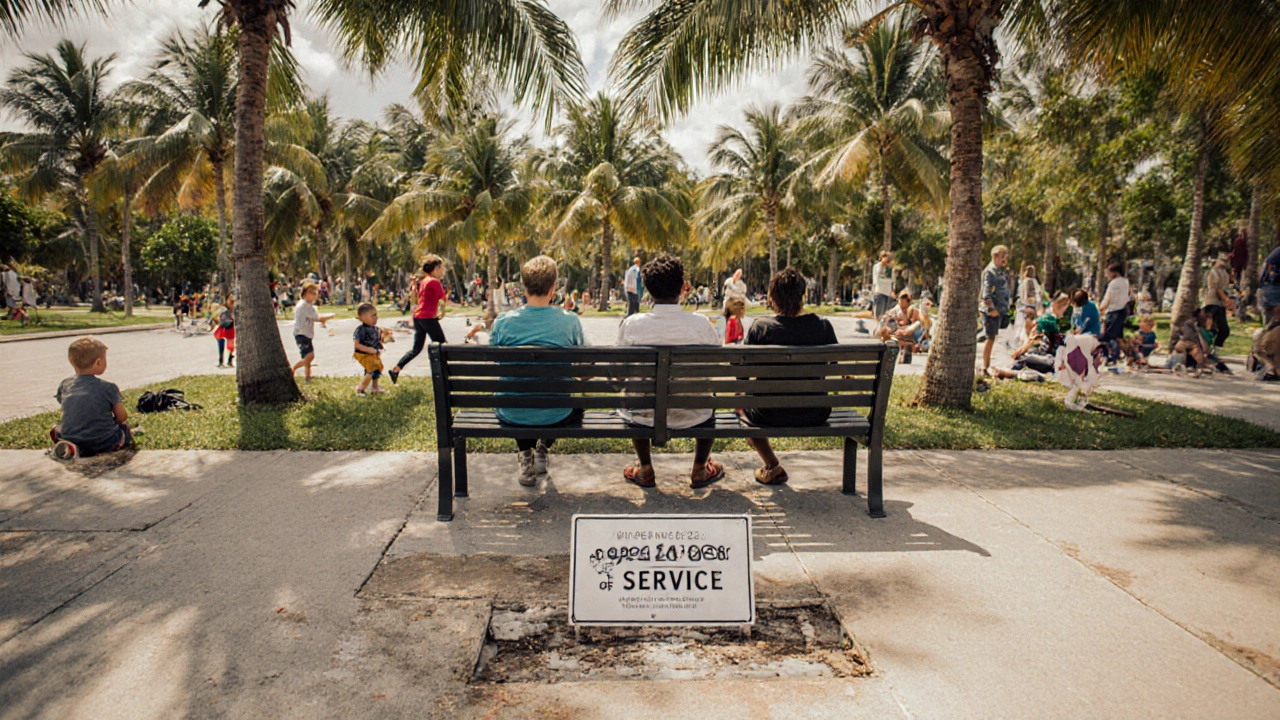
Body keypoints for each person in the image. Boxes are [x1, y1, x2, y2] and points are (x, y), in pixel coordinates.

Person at [617, 254, 722, 489]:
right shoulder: (702, 324)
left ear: (648, 290)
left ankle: (645, 467)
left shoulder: (632, 324)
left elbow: (619, 374)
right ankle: (699, 468)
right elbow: (714, 367)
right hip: (695, 414)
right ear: (683, 288)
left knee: (634, 399)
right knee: (709, 401)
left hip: (644, 416)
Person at [488, 256, 587, 486]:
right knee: (568, 400)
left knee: (517, 394)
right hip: (557, 414)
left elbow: (495, 363)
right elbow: (583, 370)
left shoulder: (503, 322)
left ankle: (526, 454)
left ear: (524, 287)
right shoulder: (570, 322)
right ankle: (542, 450)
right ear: (553, 288)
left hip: (512, 413)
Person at [736, 267, 841, 485]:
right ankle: (772, 466)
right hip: (816, 412)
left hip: (767, 414)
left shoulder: (760, 328)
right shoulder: (822, 327)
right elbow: (834, 368)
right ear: (804, 296)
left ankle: (771, 465)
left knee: (741, 404)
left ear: (772, 298)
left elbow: (742, 376)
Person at [50, 337, 136, 460]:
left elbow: (65, 404)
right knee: (123, 428)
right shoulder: (109, 387)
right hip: (103, 442)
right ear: (98, 362)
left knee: (59, 429)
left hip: (72, 437)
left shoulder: (65, 384)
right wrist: (112, 423)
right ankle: (100, 443)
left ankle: (69, 446)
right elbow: (122, 416)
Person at [389, 255, 447, 384]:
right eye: (442, 268)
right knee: (442, 345)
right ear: (436, 268)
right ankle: (444, 373)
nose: (443, 271)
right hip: (428, 317)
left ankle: (396, 369)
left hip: (418, 317)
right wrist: (442, 311)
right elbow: (443, 300)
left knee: (416, 349)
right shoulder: (434, 282)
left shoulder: (423, 281)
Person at [290, 282, 334, 381]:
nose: (314, 295)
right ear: (305, 294)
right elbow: (317, 318)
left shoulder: (310, 306)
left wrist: (323, 322)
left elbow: (315, 317)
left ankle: (308, 376)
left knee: (307, 355)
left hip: (306, 334)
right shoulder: (303, 306)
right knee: (310, 356)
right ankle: (294, 368)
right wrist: (329, 316)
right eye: (312, 293)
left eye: (315, 293)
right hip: (301, 334)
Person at [980, 245, 1012, 374]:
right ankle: (985, 367)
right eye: (1002, 256)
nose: (1005, 259)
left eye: (1006, 257)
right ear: (995, 257)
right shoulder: (990, 272)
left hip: (1001, 310)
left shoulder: (1002, 271)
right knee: (990, 338)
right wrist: (991, 308)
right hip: (992, 311)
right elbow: (986, 292)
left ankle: (988, 365)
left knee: (994, 338)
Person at [1201, 257, 1233, 373]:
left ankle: (1213, 351)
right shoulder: (1213, 273)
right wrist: (1227, 299)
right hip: (1212, 303)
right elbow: (1217, 288)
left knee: (1218, 330)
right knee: (1220, 329)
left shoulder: (1224, 273)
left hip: (1219, 304)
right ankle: (1211, 352)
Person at [1097, 261, 1131, 363]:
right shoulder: (1126, 282)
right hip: (1123, 310)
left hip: (1113, 312)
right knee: (1118, 335)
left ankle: (1108, 355)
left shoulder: (1114, 283)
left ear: (1114, 272)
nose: (1108, 275)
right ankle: (1116, 355)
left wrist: (1101, 308)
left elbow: (1108, 298)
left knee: (1108, 335)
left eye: (1109, 272)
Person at [877, 290, 924, 363]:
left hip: (907, 330)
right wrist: (897, 323)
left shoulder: (912, 309)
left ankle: (911, 346)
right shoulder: (896, 309)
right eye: (900, 301)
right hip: (896, 329)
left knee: (918, 325)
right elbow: (888, 319)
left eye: (906, 301)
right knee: (888, 322)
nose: (901, 303)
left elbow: (916, 321)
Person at [353, 303, 385, 396]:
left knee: (377, 370)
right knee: (370, 371)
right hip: (363, 354)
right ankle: (360, 389)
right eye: (373, 316)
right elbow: (357, 345)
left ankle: (375, 388)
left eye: (376, 315)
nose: (376, 318)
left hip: (373, 354)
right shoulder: (361, 330)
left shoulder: (375, 329)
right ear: (362, 318)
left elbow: (377, 340)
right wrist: (370, 350)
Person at [1017, 263, 1043, 339]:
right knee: (1031, 324)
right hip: (1031, 305)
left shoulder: (1023, 281)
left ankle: (1027, 338)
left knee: (1026, 324)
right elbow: (1034, 294)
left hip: (1023, 305)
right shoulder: (1031, 281)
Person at [871, 251, 895, 320]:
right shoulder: (876, 266)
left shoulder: (891, 268)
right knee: (878, 312)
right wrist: (874, 289)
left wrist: (893, 291)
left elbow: (893, 281)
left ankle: (881, 324)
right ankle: (877, 323)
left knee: (885, 313)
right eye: (884, 256)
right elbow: (874, 279)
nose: (886, 259)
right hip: (879, 291)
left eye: (887, 257)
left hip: (888, 292)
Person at [214, 296, 236, 367]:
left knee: (230, 345)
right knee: (225, 344)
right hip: (224, 329)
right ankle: (224, 361)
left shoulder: (232, 309)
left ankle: (227, 361)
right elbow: (215, 317)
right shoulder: (223, 309)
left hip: (228, 329)